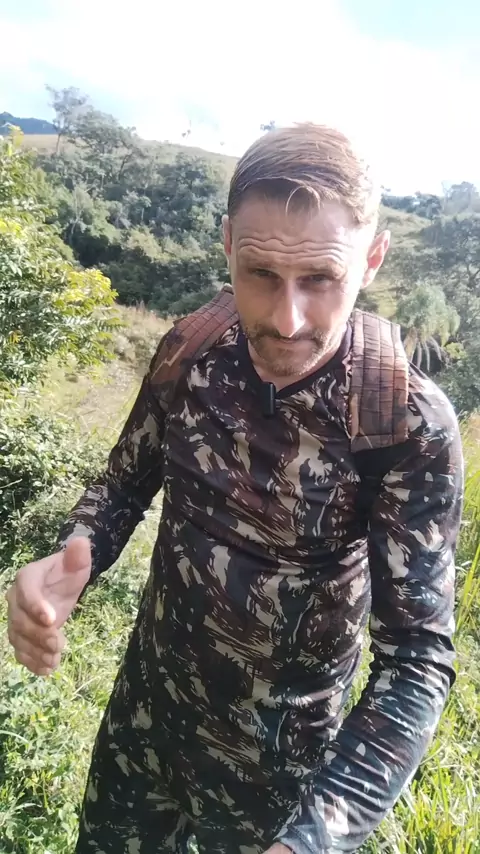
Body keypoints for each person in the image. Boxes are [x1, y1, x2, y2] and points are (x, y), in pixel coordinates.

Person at [6, 123, 463, 854]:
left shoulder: (402, 421)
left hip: (277, 779)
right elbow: (122, 485)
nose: (287, 320)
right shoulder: (192, 350)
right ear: (226, 245)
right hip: (144, 724)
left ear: (373, 259)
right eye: (261, 274)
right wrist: (72, 555)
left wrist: (314, 837)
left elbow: (416, 660)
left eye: (320, 279)